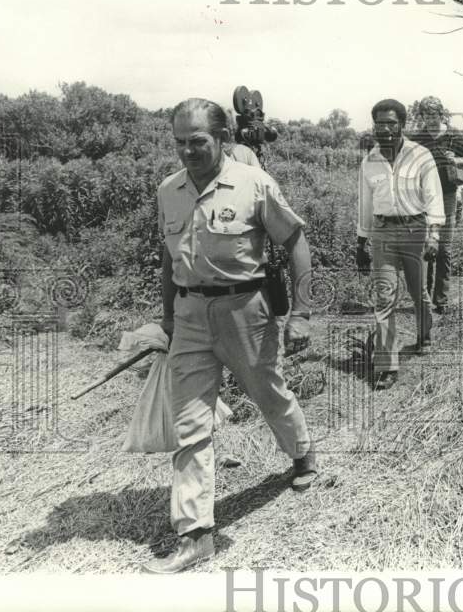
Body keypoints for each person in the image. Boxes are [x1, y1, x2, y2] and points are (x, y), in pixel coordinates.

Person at [143, 98, 315, 574]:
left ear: (222, 139)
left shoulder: (254, 184)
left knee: (268, 393)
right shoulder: (169, 190)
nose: (187, 151)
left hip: (246, 311)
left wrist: (300, 312)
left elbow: (296, 241)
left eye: (197, 141)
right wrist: (168, 318)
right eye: (179, 142)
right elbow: (168, 257)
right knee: (190, 424)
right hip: (190, 315)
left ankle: (302, 455)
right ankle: (196, 534)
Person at [356, 99, 444, 390]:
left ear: (402, 124)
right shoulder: (369, 161)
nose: (386, 129)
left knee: (418, 292)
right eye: (380, 123)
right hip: (382, 232)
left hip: (415, 230)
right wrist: (361, 240)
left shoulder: (421, 155)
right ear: (374, 126)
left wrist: (433, 234)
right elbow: (366, 203)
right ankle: (386, 365)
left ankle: (424, 335)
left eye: (391, 123)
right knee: (383, 298)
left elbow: (433, 196)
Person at [409, 97, 463, 314]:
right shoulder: (418, 138)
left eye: (433, 115)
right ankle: (424, 297)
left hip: (447, 195)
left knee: (444, 249)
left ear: (441, 115)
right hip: (423, 197)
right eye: (426, 115)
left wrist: (455, 160)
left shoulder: (452, 136)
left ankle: (442, 300)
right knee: (424, 248)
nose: (430, 119)